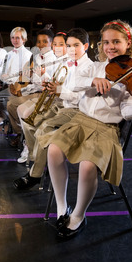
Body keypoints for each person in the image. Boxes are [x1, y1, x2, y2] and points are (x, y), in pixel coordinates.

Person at [38, 20, 132, 239]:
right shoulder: (95, 67)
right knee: (53, 150)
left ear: (128, 44)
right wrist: (94, 80)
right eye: (106, 42)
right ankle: (62, 207)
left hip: (106, 129)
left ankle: (78, 215)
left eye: (116, 41)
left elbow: (126, 111)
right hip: (80, 120)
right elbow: (75, 83)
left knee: (88, 166)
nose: (110, 47)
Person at [13, 28, 93, 186]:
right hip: (61, 104)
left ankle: (35, 174)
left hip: (76, 110)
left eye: (76, 45)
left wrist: (58, 90)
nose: (71, 50)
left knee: (43, 129)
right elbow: (59, 83)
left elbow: (79, 99)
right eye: (69, 46)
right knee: (29, 123)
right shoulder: (68, 63)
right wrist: (47, 81)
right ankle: (38, 159)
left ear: (85, 46)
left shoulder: (88, 68)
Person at [15, 31, 68, 162]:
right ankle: (29, 145)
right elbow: (47, 83)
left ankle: (32, 149)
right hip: (48, 95)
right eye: (55, 44)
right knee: (20, 109)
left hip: (59, 101)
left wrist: (44, 76)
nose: (57, 47)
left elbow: (56, 86)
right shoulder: (56, 60)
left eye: (61, 44)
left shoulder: (60, 61)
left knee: (26, 113)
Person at [6, 27, 55, 148]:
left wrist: (40, 75)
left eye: (45, 41)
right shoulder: (36, 57)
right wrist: (25, 86)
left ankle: (25, 137)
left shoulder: (54, 59)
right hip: (35, 90)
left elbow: (50, 83)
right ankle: (20, 133)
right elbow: (32, 81)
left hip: (46, 94)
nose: (41, 45)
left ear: (51, 43)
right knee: (10, 104)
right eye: (38, 41)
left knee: (14, 104)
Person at [0, 26, 32, 125]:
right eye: (13, 38)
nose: (14, 40)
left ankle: (15, 124)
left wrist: (9, 79)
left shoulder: (27, 54)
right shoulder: (9, 53)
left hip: (20, 87)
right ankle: (9, 119)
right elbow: (3, 71)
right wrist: (1, 79)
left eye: (18, 38)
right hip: (9, 85)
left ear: (24, 39)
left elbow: (24, 76)